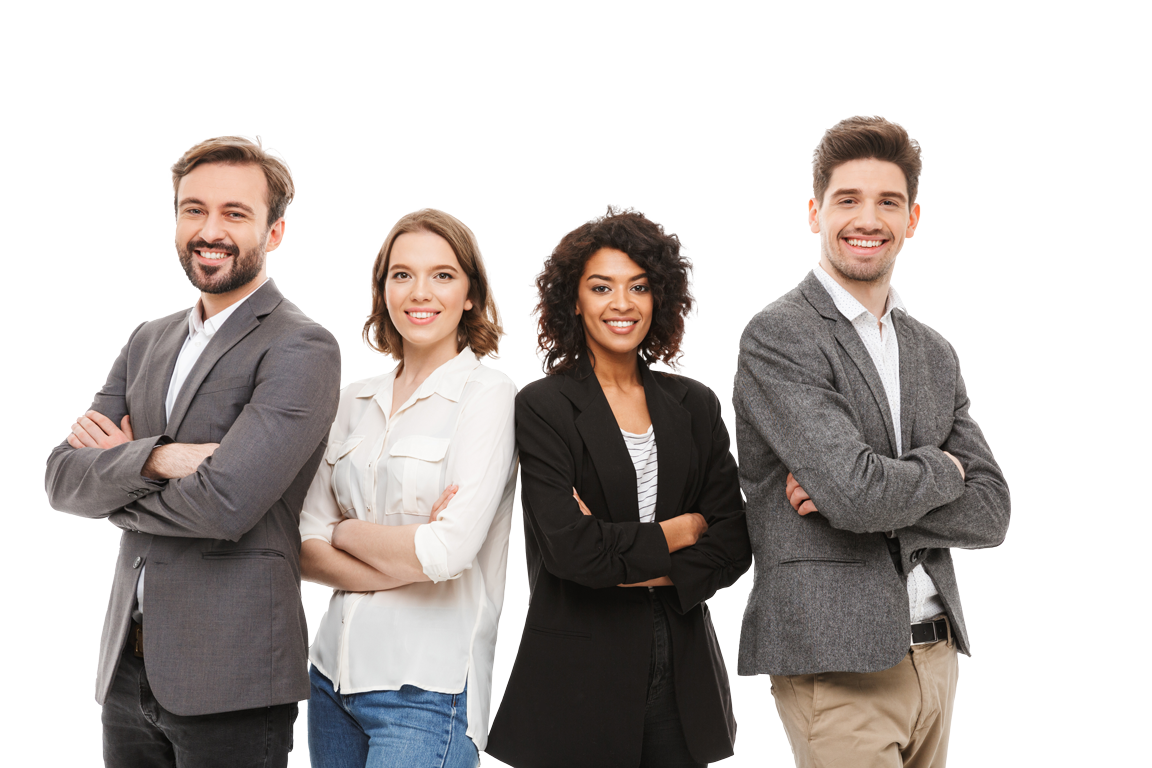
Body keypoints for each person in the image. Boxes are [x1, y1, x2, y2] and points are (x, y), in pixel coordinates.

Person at [44, 134, 342, 767]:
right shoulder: (147, 339)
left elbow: (225, 505)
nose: (210, 230)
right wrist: (158, 459)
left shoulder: (301, 347)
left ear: (277, 230)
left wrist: (116, 481)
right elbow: (61, 478)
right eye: (193, 209)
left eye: (235, 213)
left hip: (232, 679)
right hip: (127, 668)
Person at [733, 114, 1011, 767]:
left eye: (888, 202)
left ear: (912, 219)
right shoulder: (781, 336)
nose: (868, 218)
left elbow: (994, 509)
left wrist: (875, 495)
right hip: (838, 664)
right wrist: (942, 470)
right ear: (814, 212)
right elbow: (858, 494)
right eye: (847, 200)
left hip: (936, 658)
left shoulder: (933, 353)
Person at [487, 204, 753, 768]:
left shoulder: (695, 404)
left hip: (683, 677)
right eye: (601, 287)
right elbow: (572, 551)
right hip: (578, 680)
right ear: (573, 300)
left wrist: (621, 552)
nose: (622, 304)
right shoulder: (544, 407)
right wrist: (681, 530)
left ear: (661, 298)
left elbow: (732, 544)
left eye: (638, 287)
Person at [298, 207, 518, 768]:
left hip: (428, 691)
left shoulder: (487, 395)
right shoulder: (352, 399)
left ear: (472, 293)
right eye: (402, 274)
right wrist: (406, 551)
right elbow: (302, 546)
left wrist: (345, 530)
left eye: (443, 274)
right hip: (329, 678)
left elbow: (447, 552)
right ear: (383, 288)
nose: (420, 292)